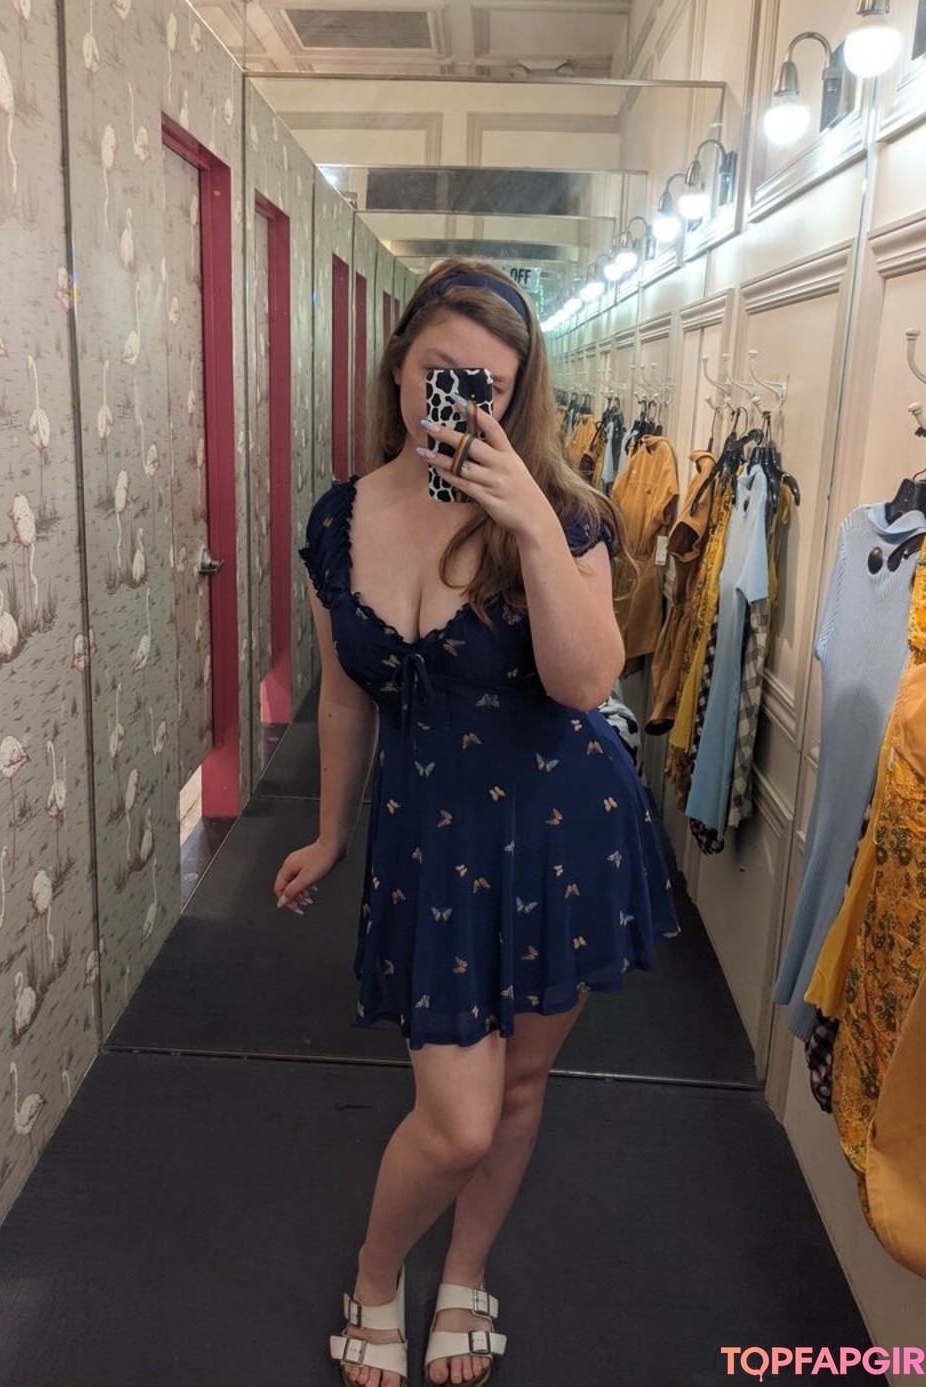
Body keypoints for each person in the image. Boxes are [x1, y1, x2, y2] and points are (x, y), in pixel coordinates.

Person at [274, 259, 678, 1387]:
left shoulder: (564, 513)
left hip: (560, 831)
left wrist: (533, 523)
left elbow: (586, 680)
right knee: (456, 1119)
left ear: (517, 395)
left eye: (486, 385)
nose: (455, 399)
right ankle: (376, 1273)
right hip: (429, 844)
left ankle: (465, 1270)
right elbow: (346, 694)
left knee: (521, 1089)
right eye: (438, 372)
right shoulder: (340, 519)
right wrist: (331, 832)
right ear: (398, 365)